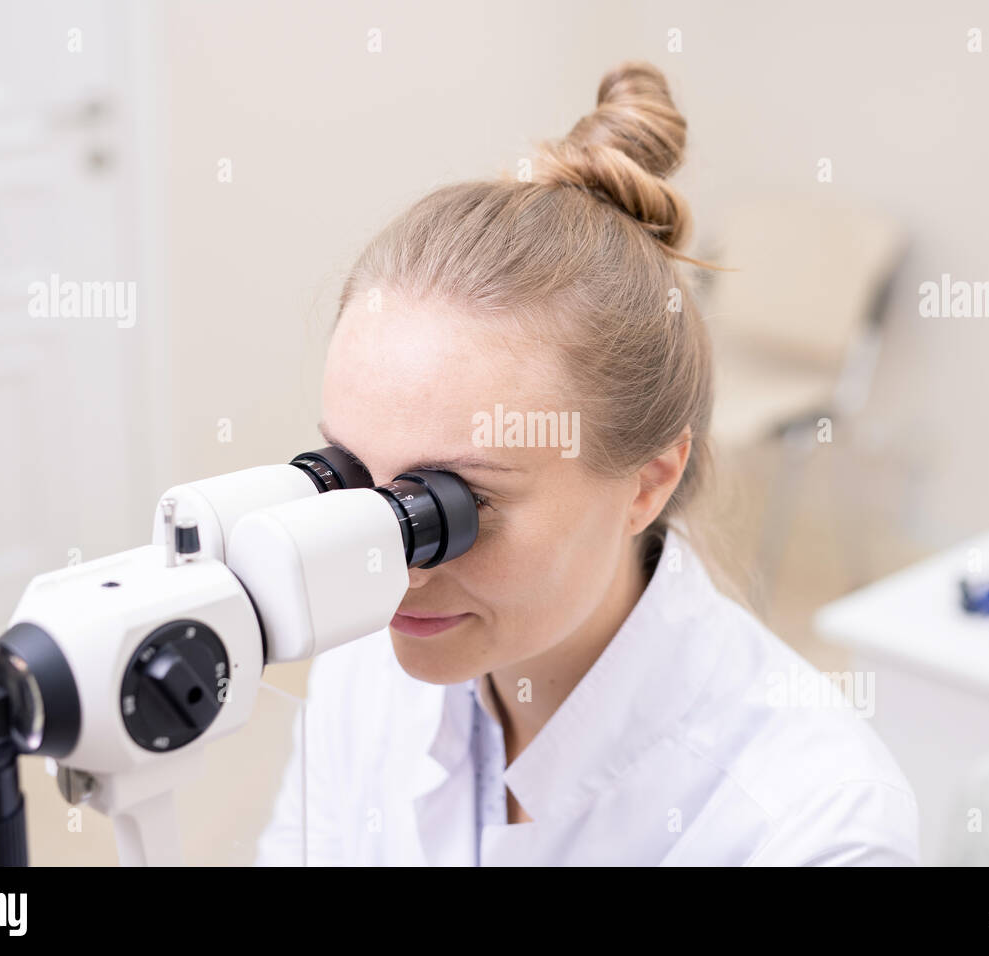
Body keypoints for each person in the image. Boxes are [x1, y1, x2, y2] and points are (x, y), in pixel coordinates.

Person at [254, 60, 918, 866]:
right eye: (355, 483)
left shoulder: (812, 827)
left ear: (648, 481)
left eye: (453, 504)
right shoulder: (362, 663)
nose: (390, 566)